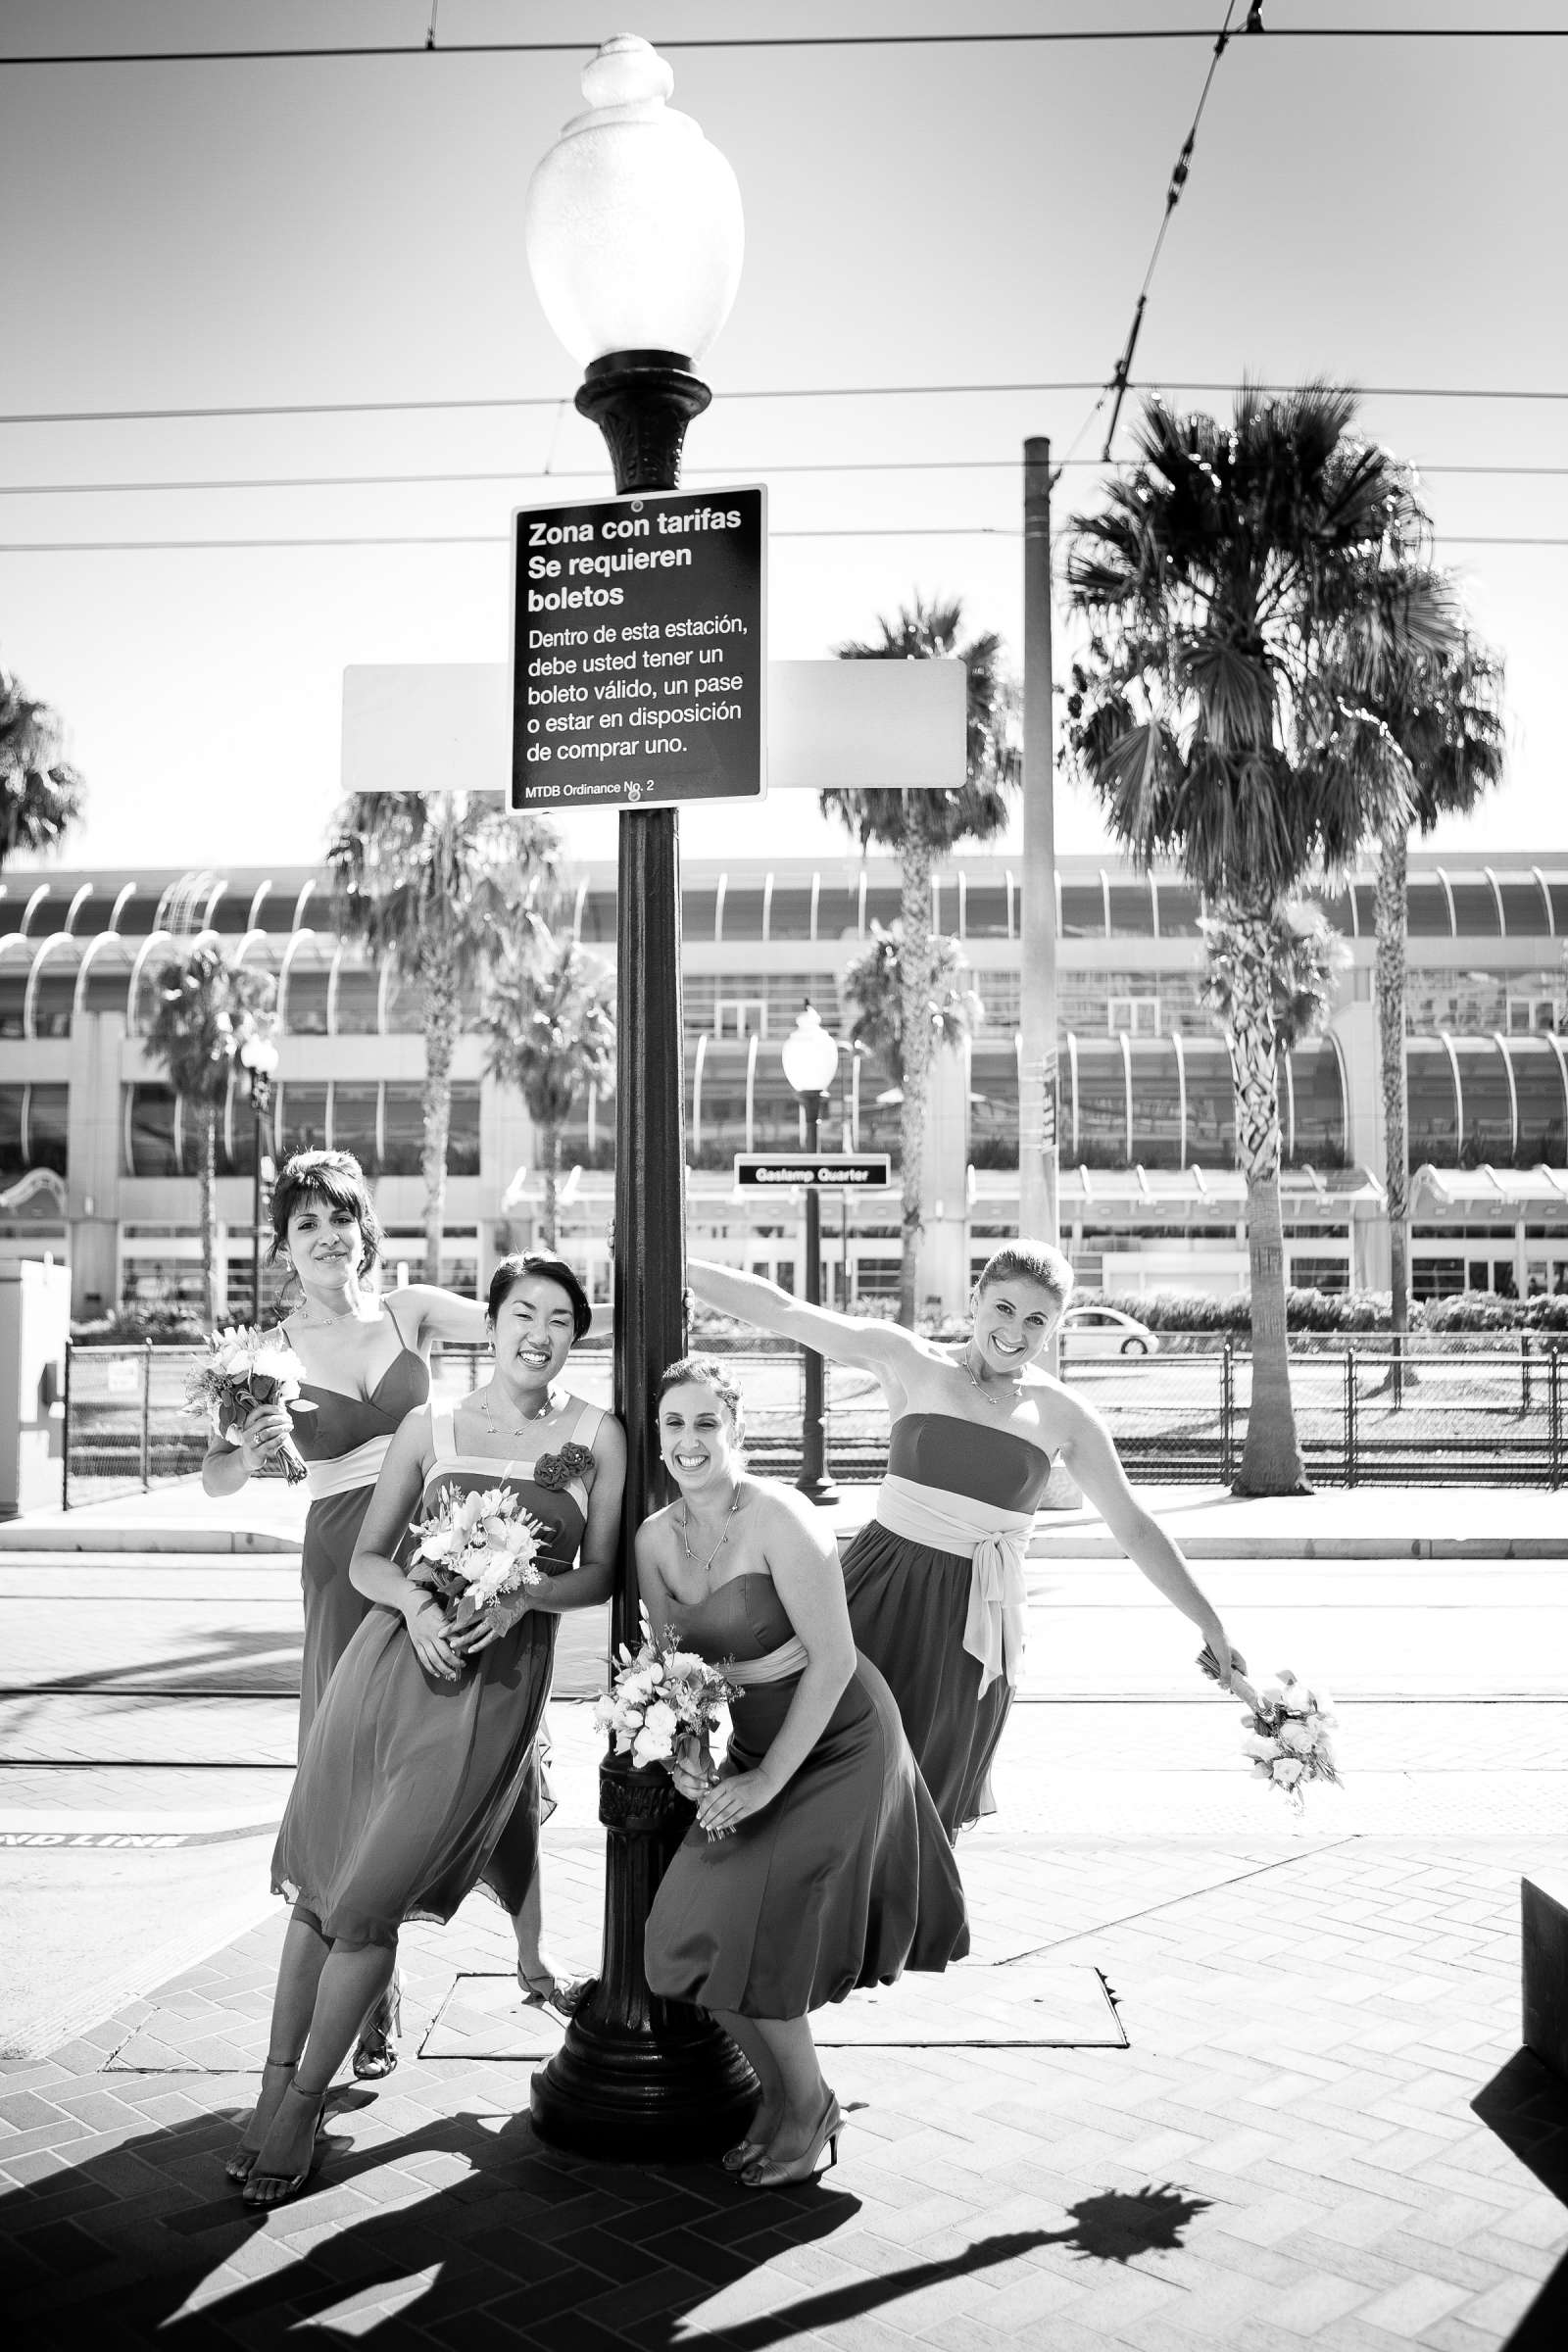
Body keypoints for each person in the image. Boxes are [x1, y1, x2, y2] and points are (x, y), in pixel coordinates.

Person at [229, 1251, 625, 2208]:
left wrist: (524, 1590)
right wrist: (411, 1603)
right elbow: (368, 1560)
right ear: (488, 1324)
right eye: (522, 1313)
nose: (539, 1334)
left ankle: (304, 2104)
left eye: (561, 1321)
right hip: (386, 1669)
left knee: (366, 1901)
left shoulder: (596, 1437)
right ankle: (273, 2085)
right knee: (319, 1895)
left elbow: (601, 1571)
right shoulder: (429, 1425)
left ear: (574, 1337)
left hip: (490, 1695)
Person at [202, 1153, 581, 2064]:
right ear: (285, 1248)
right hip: (349, 1560)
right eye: (306, 1226)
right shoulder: (266, 1353)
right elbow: (214, 1475)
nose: (328, 1237)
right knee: (365, 1767)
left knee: (496, 1742)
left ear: (365, 1229)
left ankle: (534, 1958)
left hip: (450, 1534)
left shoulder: (407, 1307)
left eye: (342, 1219)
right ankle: (371, 2001)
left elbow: (515, 1318)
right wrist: (248, 1457)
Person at [688, 1245, 1245, 1839]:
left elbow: (1133, 1525)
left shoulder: (1066, 1416)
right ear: (973, 1300)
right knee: (823, 1780)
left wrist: (1211, 1624)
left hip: (972, 1633)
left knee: (923, 1803)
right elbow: (786, 1311)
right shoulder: (909, 1360)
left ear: (1055, 1328)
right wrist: (680, 1260)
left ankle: (907, 1926)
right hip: (872, 1602)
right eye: (1003, 1308)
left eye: (1037, 1320)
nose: (1015, 1331)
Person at [640, 1355, 968, 2190]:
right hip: (751, 1753)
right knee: (681, 1940)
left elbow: (831, 1662)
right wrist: (692, 1755)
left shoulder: (783, 1519)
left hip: (841, 1743)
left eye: (706, 1423)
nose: (689, 1441)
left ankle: (803, 2107)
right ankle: (791, 2098)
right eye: (674, 1423)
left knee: (764, 1938)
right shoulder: (652, 1540)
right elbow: (669, 1668)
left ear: (737, 1430)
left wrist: (762, 1783)